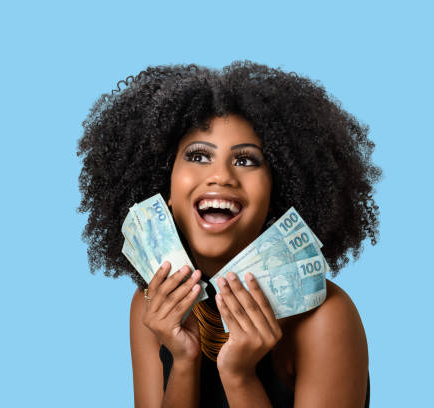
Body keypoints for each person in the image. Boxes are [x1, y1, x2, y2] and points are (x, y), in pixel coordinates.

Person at [77, 61, 381, 407]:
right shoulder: (151, 306)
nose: (220, 176)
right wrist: (183, 360)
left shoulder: (324, 318)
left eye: (246, 161)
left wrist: (239, 376)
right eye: (198, 156)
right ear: (167, 190)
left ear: (277, 194)